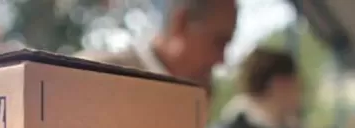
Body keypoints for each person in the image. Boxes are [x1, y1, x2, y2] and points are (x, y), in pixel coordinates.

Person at [75, 0, 237, 86]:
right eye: (218, 42)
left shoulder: (198, 93)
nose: (221, 60)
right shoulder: (93, 76)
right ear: (181, 23)